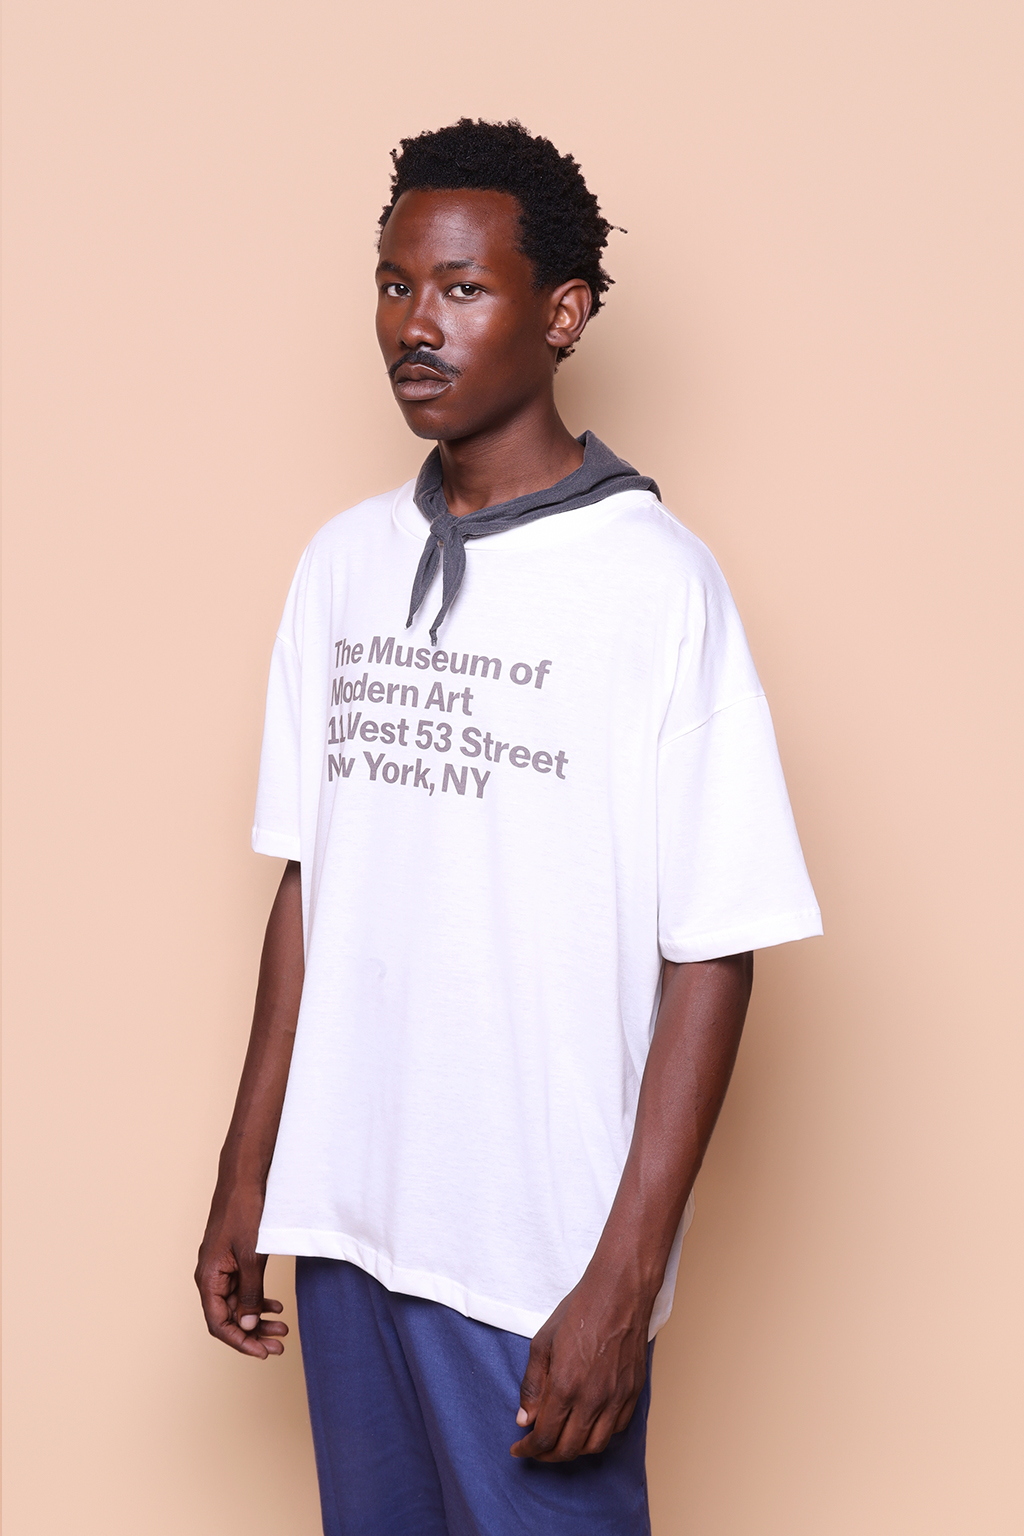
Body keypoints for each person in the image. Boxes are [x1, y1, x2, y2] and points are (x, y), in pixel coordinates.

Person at [196, 118, 822, 1536]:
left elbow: (715, 948)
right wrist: (250, 1175)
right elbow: (310, 887)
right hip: (348, 1224)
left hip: (534, 1262)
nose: (415, 325)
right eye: (394, 283)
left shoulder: (655, 584)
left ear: (562, 313)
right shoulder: (343, 564)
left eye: (463, 288)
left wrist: (624, 1280)